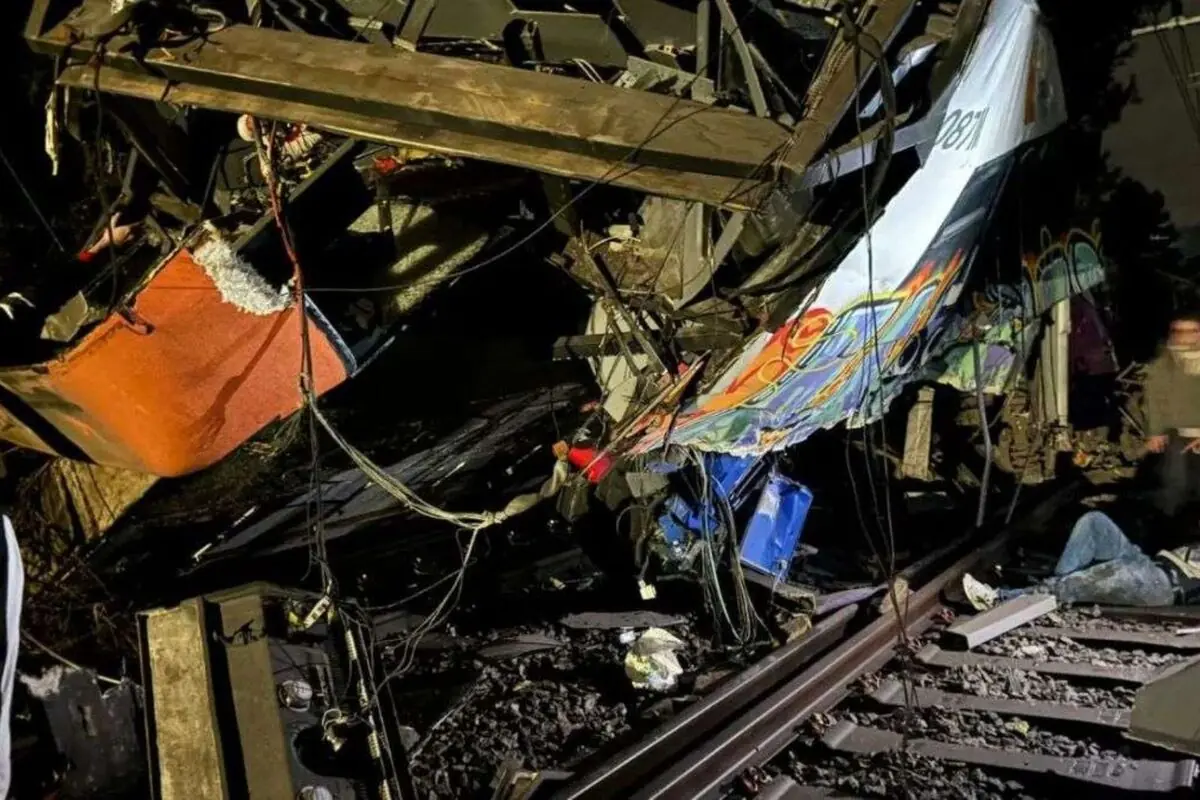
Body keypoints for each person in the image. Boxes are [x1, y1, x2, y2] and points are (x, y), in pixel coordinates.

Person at [963, 510, 1200, 608]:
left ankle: (999, 601)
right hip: (1151, 563)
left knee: (1112, 573)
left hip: (1165, 587)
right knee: (1095, 522)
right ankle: (1053, 592)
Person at [1144, 312, 1200, 515]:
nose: (1185, 337)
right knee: (1175, 487)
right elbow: (1154, 398)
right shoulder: (1164, 364)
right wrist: (1155, 431)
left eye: (1192, 331)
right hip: (1176, 433)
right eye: (1179, 331)